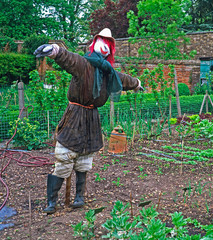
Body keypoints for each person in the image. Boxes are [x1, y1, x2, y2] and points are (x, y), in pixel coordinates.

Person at [34, 28, 142, 214]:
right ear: (95, 42)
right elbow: (70, 59)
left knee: (84, 160)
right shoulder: (83, 64)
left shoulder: (108, 73)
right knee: (64, 157)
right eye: (102, 41)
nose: (105, 46)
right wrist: (54, 50)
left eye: (109, 43)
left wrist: (137, 84)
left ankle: (79, 197)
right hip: (74, 116)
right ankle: (52, 202)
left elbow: (124, 79)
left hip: (91, 119)